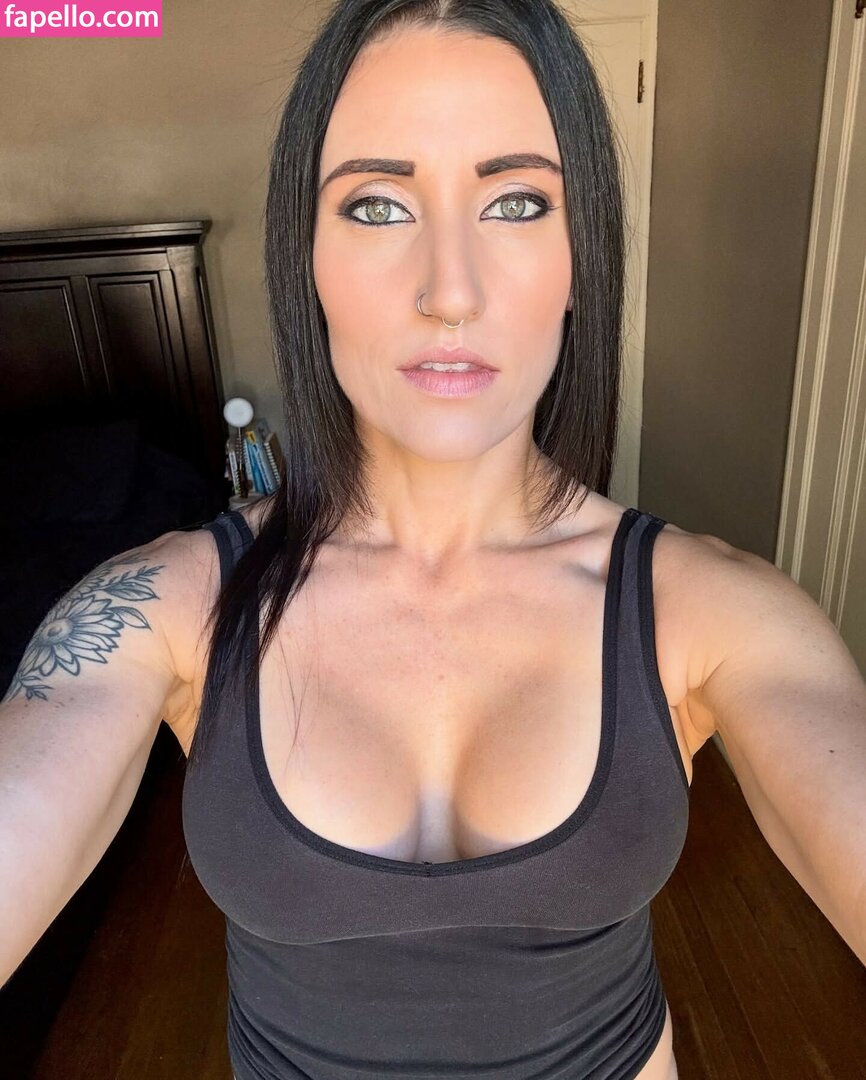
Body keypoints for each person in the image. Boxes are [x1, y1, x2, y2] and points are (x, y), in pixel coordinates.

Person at [2, 1, 864, 1077]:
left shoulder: (709, 610)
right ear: (305, 257)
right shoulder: (167, 606)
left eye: (516, 201)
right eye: (376, 205)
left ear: (580, 255)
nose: (450, 292)